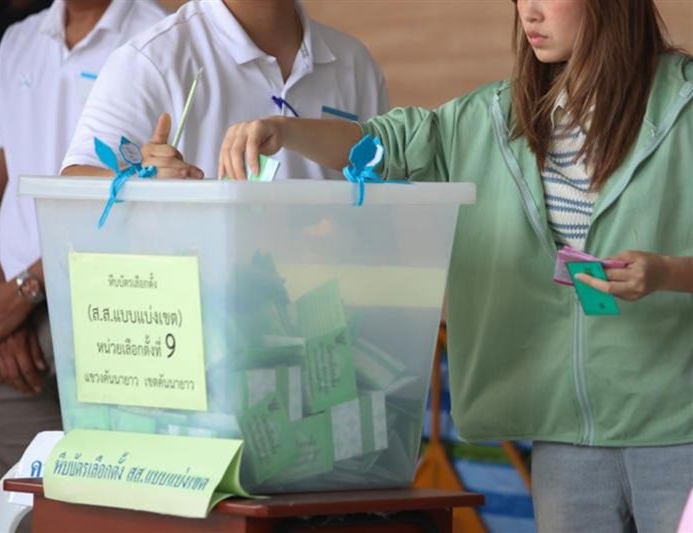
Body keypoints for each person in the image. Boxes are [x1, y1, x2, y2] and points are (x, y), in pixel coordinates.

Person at [218, 0, 693, 530]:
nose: (528, 12)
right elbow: (380, 144)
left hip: (678, 429)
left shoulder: (684, 105)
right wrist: (284, 132)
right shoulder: (491, 117)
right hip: (563, 437)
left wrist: (669, 273)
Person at [0, 0, 166, 482]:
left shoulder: (156, 39)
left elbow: (151, 199)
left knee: (117, 500)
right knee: (26, 504)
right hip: (19, 326)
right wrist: (3, 316)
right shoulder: (19, 40)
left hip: (121, 310)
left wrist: (28, 288)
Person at [60, 0, 388, 179]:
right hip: (201, 298)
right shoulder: (151, 60)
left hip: (330, 296)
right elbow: (74, 184)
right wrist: (139, 182)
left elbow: (389, 187)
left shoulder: (353, 62)